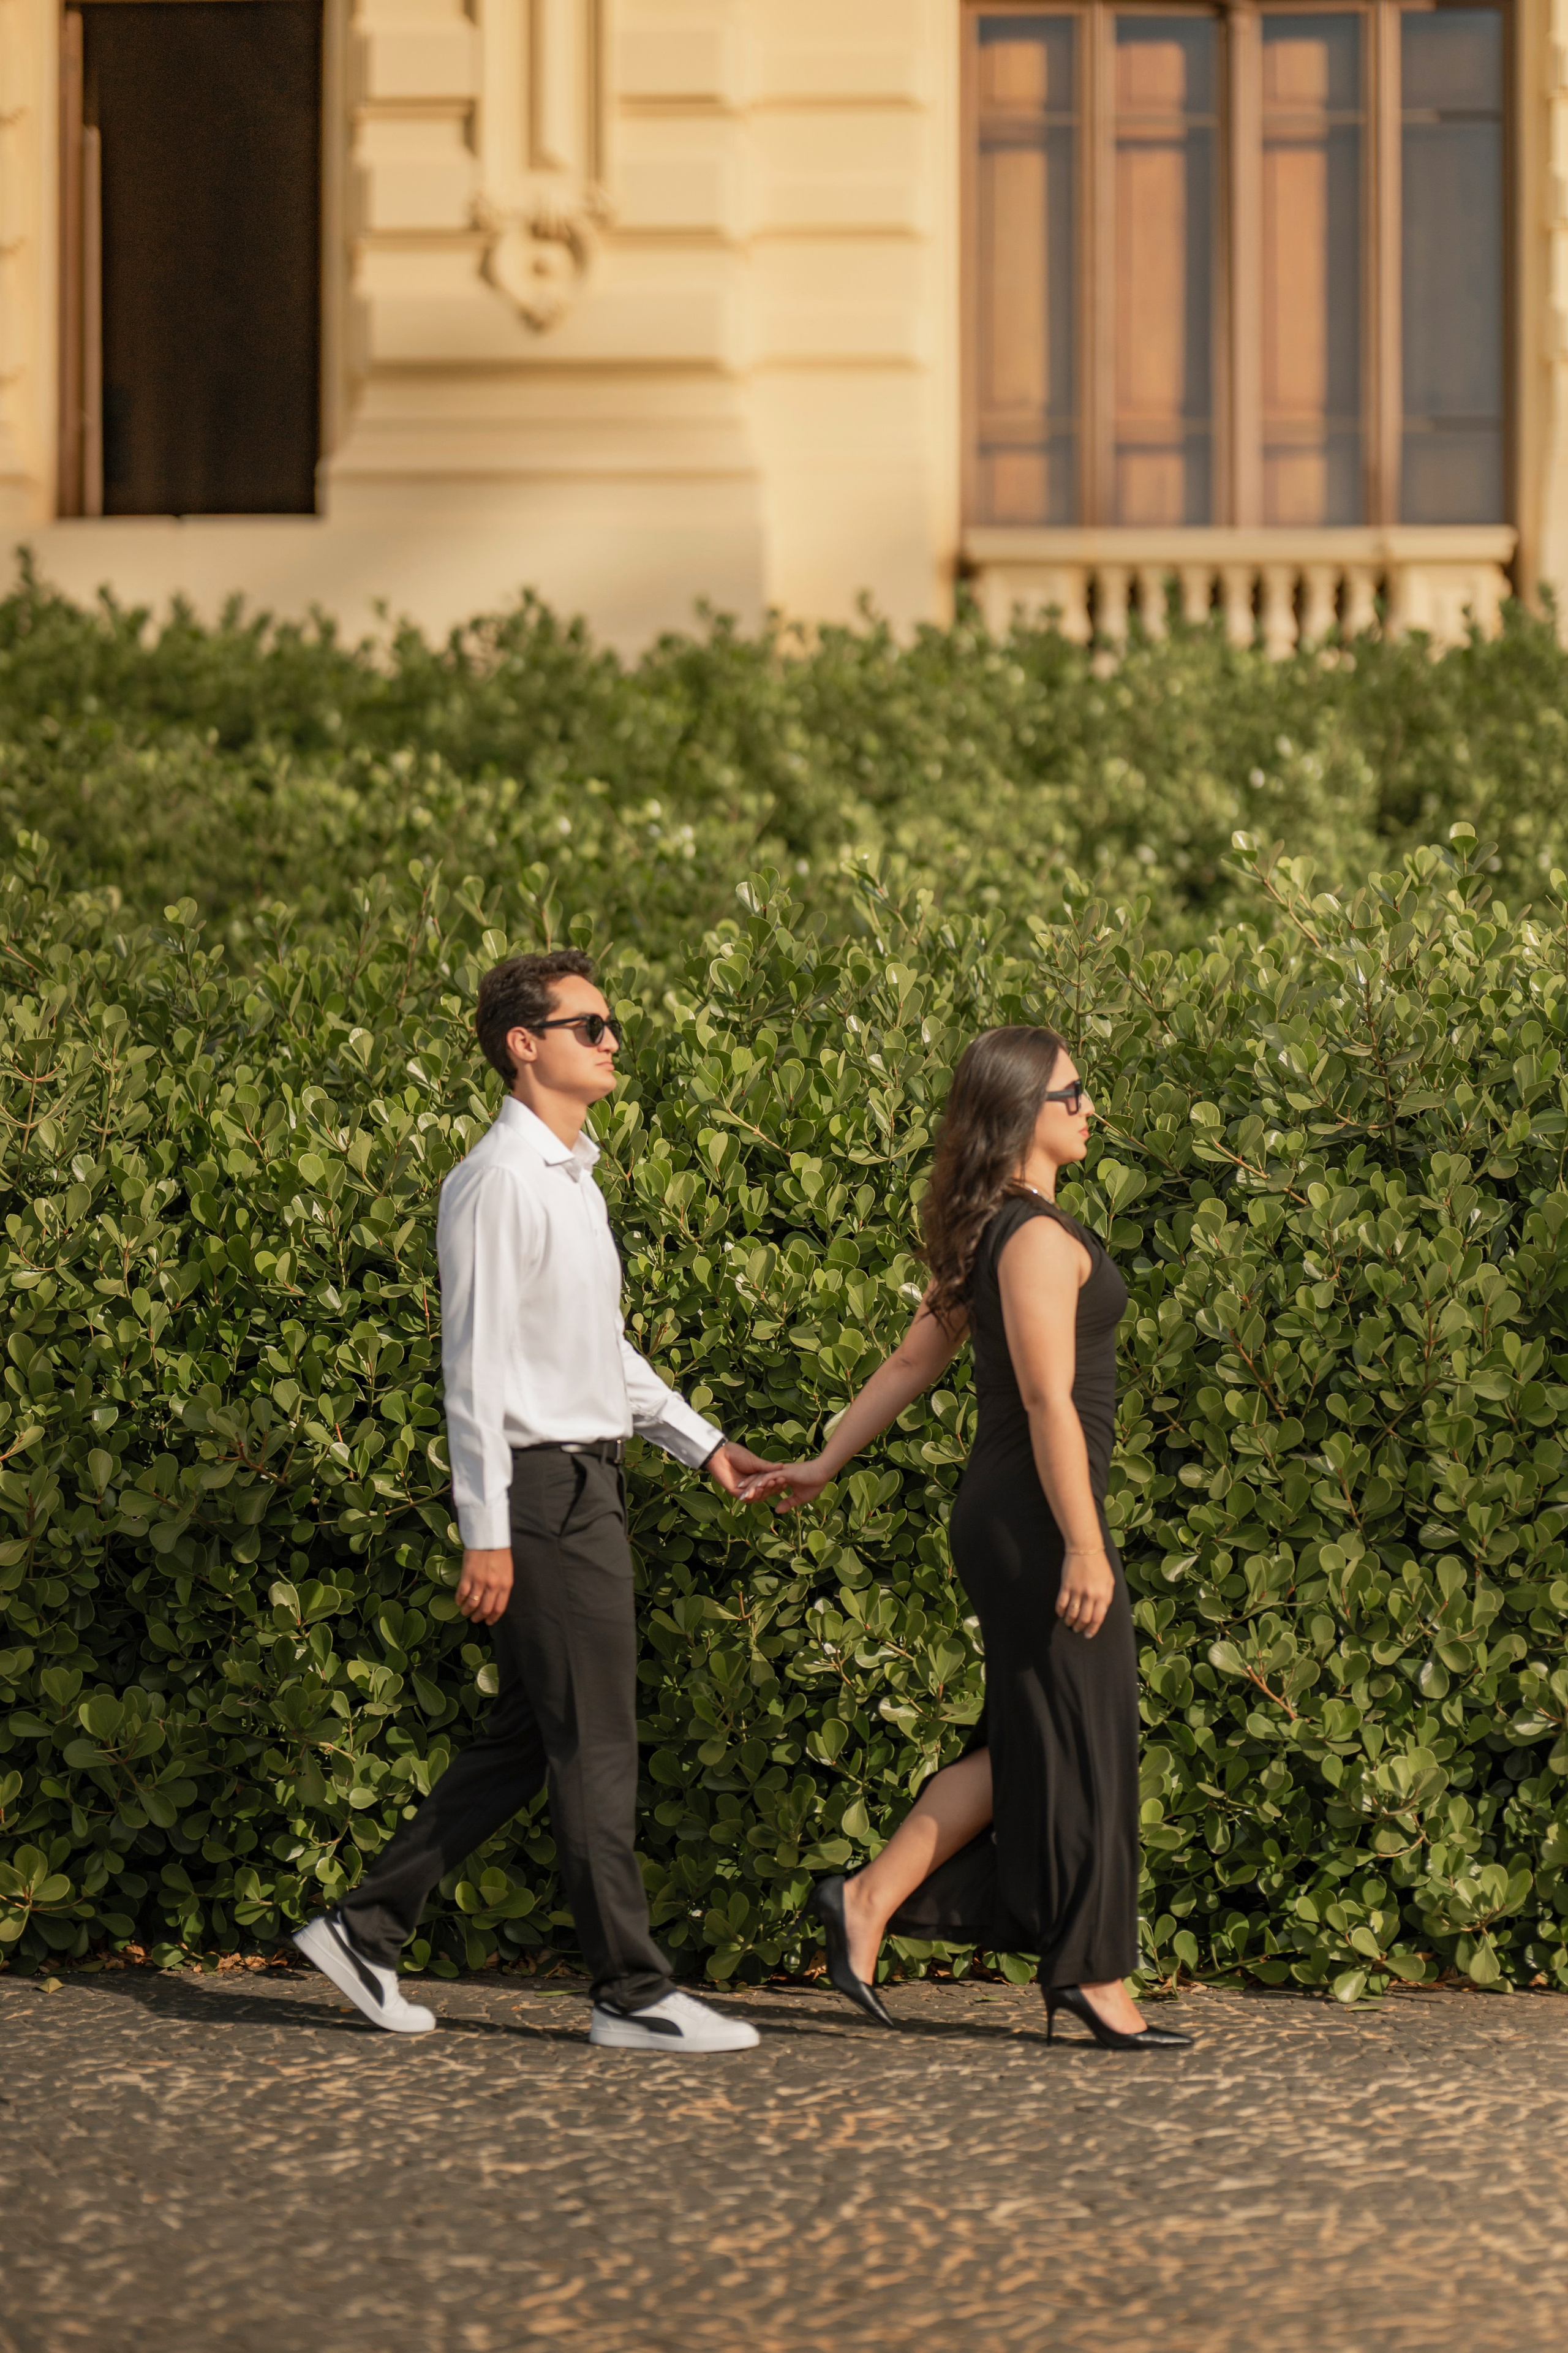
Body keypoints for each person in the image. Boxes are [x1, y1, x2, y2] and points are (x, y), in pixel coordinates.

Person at [295, 948, 772, 2053]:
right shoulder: (499, 1180)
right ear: (525, 1044)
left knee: (530, 1736)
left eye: (610, 1026)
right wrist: (487, 1530)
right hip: (546, 1490)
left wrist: (704, 1444)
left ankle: (364, 1928)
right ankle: (632, 1994)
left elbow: (594, 1347)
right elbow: (474, 1366)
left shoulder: (570, 1179)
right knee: (595, 1742)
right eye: (589, 1026)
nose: (612, 1042)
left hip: (583, 1481)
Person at [743, 1027, 1190, 2051]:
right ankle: (1091, 1973)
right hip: (1038, 1515)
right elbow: (1045, 1399)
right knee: (1085, 1733)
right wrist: (1085, 1543)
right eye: (1073, 1093)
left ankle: (864, 1901)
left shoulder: (1001, 1230)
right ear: (1024, 1108)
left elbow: (913, 1362)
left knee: (1029, 1736)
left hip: (1021, 1512)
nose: (1089, 1108)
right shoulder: (1027, 1237)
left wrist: (825, 1459)